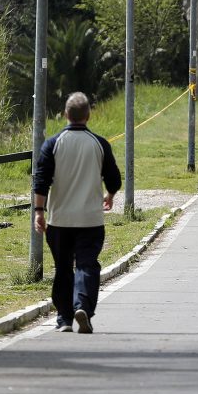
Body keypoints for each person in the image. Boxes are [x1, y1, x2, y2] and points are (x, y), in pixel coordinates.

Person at [33, 92, 122, 334]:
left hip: (60, 220)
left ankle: (64, 319)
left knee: (62, 267)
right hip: (90, 220)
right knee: (86, 265)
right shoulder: (99, 143)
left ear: (65, 115)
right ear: (88, 115)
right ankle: (82, 306)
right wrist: (110, 195)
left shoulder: (52, 144)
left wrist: (39, 211)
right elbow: (114, 178)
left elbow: (41, 181)